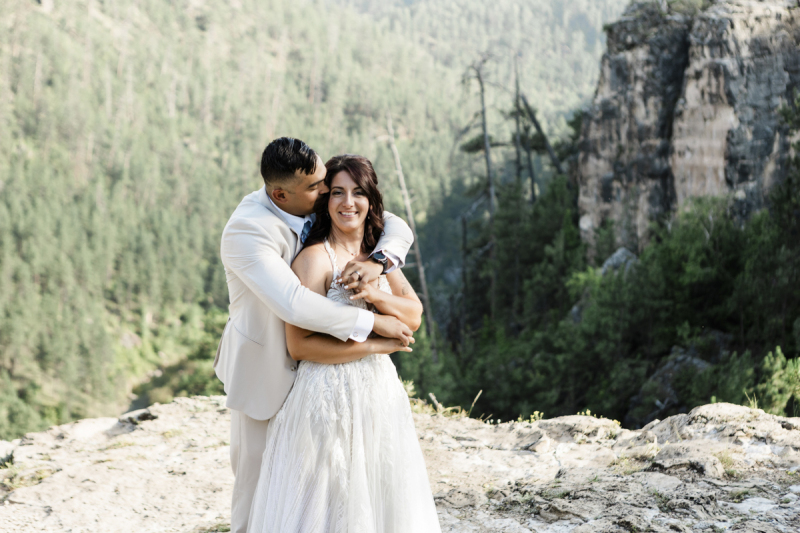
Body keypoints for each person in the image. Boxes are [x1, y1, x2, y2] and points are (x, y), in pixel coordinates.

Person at [215, 138, 417, 533]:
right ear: (280, 194)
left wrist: (378, 262)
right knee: (259, 494)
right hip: (267, 370)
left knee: (319, 491)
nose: (327, 192)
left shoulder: (312, 204)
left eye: (326, 181)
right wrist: (375, 328)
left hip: (323, 378)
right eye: (318, 187)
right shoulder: (247, 231)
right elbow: (295, 305)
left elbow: (393, 223)